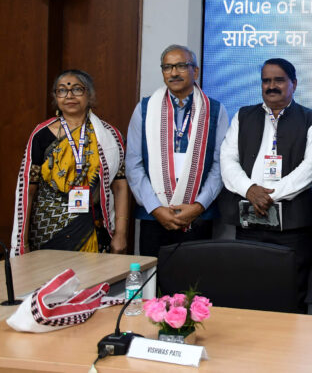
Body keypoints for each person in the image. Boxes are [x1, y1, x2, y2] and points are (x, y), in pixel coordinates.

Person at [220, 58, 312, 309]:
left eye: (279, 80)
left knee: (289, 294)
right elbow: (227, 159)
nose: (271, 86)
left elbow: (310, 169)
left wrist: (268, 196)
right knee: (249, 291)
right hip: (249, 224)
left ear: (294, 84)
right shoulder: (244, 116)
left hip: (292, 228)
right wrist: (249, 190)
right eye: (266, 81)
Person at [11, 70, 130, 256]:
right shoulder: (41, 135)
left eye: (77, 89)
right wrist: (22, 242)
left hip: (94, 226)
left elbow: (120, 185)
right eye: (62, 90)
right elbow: (28, 189)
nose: (69, 96)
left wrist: (121, 234)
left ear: (89, 95)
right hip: (48, 229)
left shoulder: (109, 136)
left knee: (95, 281)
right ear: (55, 96)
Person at [125, 44, 228, 257]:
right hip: (154, 216)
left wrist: (199, 206)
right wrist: (155, 208)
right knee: (152, 281)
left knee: (194, 283)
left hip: (198, 215)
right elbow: (133, 164)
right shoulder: (144, 109)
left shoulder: (215, 110)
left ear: (196, 71)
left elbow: (221, 164)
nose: (173, 73)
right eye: (167, 67)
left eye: (181, 66)